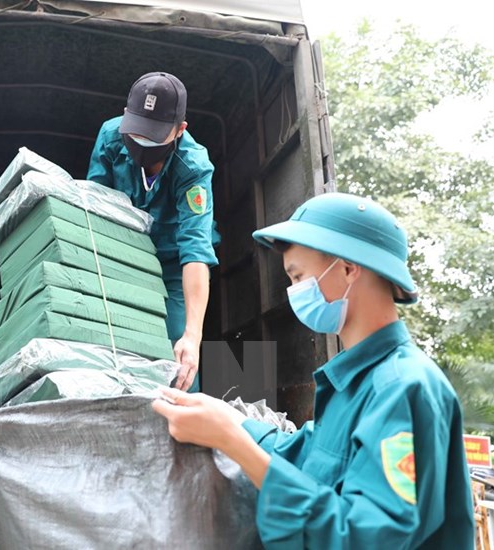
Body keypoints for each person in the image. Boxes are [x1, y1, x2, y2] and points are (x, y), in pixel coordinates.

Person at [152, 193, 474, 547]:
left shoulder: (402, 388)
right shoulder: (357, 382)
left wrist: (233, 441)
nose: (294, 292)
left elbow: (363, 539)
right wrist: (231, 420)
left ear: (349, 268)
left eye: (298, 276)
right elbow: (308, 454)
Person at [87, 72, 220, 392]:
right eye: (136, 133)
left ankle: (185, 431)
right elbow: (93, 210)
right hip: (121, 258)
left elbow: (196, 252)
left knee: (179, 354)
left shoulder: (193, 167)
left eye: (155, 137)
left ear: (180, 130)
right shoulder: (110, 137)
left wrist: (193, 335)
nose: (142, 145)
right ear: (125, 117)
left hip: (173, 264)